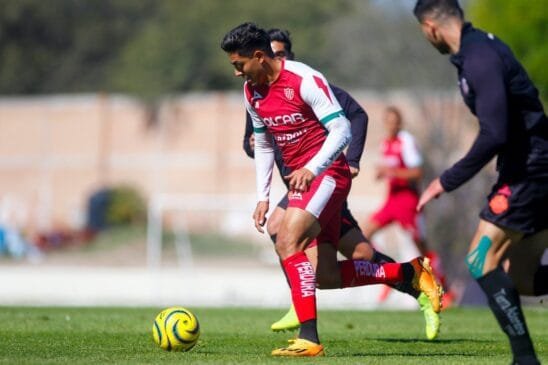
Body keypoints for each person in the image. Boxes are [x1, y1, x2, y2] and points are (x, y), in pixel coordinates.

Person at [222, 22, 442, 357]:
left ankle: (309, 339)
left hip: (328, 175)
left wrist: (312, 168)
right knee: (324, 275)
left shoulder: (304, 79)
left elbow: (341, 129)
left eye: (239, 65)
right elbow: (264, 145)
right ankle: (409, 273)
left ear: (258, 57)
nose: (237, 73)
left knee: (286, 237)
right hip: (303, 184)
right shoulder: (252, 92)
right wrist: (263, 197)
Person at [413, 1, 548, 364]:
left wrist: (446, 180)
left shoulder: (480, 57)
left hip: (531, 171)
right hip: (530, 168)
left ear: (430, 27)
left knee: (479, 259)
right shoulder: (478, 50)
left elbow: (494, 133)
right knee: (520, 278)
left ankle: (525, 360)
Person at [362, 106, 451, 305]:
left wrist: (392, 172)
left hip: (408, 201)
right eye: (387, 121)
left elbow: (417, 172)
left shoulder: (406, 141)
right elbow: (388, 170)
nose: (391, 125)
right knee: (363, 234)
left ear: (399, 123)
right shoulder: (385, 144)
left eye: (394, 121)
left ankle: (445, 287)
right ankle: (387, 273)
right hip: (391, 200)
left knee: (421, 247)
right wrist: (382, 173)